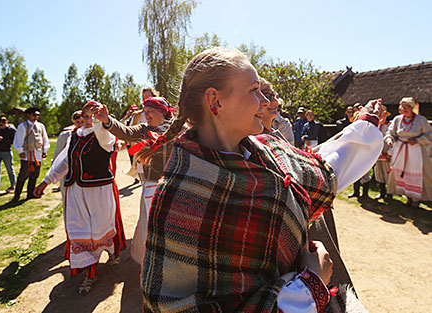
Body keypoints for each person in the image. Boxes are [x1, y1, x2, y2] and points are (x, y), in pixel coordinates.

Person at [140, 47, 384, 312]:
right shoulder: (180, 195)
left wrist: (366, 126)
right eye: (254, 90)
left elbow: (325, 169)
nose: (264, 102)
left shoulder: (270, 149)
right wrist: (309, 286)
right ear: (215, 101)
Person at [33, 101, 127, 293]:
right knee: (81, 232)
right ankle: (90, 272)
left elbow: (107, 141)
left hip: (98, 191)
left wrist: (103, 121)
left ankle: (110, 254)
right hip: (76, 191)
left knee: (99, 230)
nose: (87, 120)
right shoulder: (74, 136)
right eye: (85, 116)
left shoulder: (103, 135)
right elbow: (64, 162)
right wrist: (46, 181)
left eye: (92, 115)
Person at [93, 96, 177, 266]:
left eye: (150, 111)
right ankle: (149, 261)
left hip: (173, 186)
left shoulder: (177, 129)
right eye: (145, 112)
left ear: (162, 112)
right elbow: (126, 132)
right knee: (149, 224)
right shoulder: (143, 129)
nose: (146, 116)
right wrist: (107, 120)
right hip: (151, 185)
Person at [385, 97, 432, 207]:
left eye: (407, 107)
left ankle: (416, 199)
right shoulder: (397, 119)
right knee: (403, 173)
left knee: (415, 174)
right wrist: (389, 140)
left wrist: (417, 140)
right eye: (403, 106)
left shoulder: (421, 120)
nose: (404, 109)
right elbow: (390, 132)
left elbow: (429, 135)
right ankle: (408, 197)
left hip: (416, 152)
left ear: (412, 108)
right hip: (400, 150)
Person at [12, 107, 50, 202]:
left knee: (34, 175)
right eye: (34, 115)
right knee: (23, 175)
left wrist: (44, 150)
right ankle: (17, 195)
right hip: (27, 155)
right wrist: (20, 151)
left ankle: (30, 194)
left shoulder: (41, 126)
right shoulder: (23, 126)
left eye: (37, 115)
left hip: (38, 154)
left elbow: (45, 138)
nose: (35, 117)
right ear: (28, 115)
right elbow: (18, 140)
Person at [259, 78, 294, 145]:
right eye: (267, 96)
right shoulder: (255, 139)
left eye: (273, 95)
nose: (275, 101)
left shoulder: (276, 134)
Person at [0, 116, 17, 195]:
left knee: (9, 169)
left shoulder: (11, 130)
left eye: (1, 125)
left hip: (7, 151)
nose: (0, 127)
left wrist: (3, 139)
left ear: (6, 123)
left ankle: (12, 186)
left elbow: (14, 141)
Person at [374, 106, 392, 200]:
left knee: (388, 173)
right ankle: (382, 192)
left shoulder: (390, 125)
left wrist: (390, 153)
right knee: (378, 173)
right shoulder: (376, 126)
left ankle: (389, 194)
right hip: (377, 154)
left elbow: (392, 139)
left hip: (386, 152)